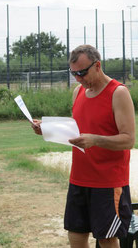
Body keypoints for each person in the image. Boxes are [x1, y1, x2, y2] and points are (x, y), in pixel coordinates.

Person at [32, 44, 135, 248]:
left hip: (108, 182)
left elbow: (128, 139)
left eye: (81, 73)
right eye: (73, 74)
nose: (78, 78)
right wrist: (47, 128)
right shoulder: (78, 91)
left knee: (106, 238)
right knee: (76, 236)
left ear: (97, 66)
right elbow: (76, 129)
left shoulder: (118, 92)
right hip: (79, 178)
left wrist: (96, 140)